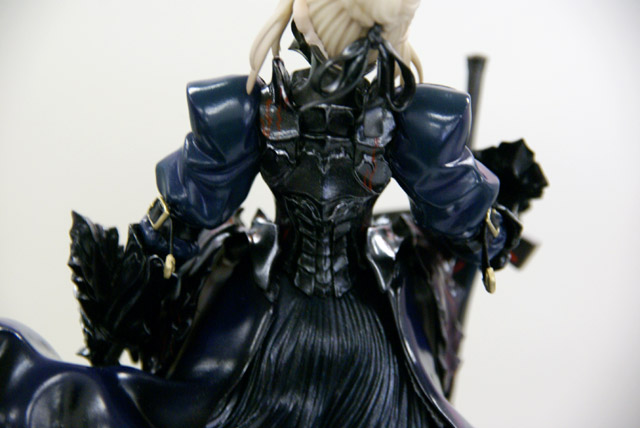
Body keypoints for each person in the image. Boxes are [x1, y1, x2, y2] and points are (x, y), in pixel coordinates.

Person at [0, 0, 544, 426]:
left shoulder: (261, 110)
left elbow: (183, 214)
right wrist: (492, 232)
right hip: (332, 330)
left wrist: (137, 276)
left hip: (299, 328)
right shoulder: (398, 118)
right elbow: (464, 218)